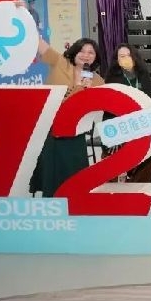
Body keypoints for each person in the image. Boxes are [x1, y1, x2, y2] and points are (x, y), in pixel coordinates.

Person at [30, 35, 105, 197]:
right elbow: (40, 44)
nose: (86, 55)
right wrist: (25, 19)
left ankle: (75, 197)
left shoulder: (98, 80)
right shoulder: (61, 63)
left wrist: (88, 91)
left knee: (73, 169)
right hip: (52, 125)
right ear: (74, 52)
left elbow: (97, 106)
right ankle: (51, 198)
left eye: (91, 52)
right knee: (52, 167)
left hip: (75, 130)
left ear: (96, 57)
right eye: (82, 51)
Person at [103, 44, 151, 183]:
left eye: (128, 55)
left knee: (148, 156)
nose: (126, 58)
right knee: (114, 155)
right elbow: (108, 107)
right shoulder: (112, 77)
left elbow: (149, 100)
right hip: (119, 124)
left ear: (134, 57)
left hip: (140, 124)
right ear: (117, 60)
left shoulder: (143, 75)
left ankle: (139, 187)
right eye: (122, 56)